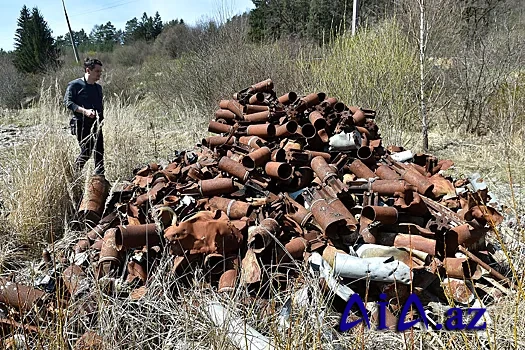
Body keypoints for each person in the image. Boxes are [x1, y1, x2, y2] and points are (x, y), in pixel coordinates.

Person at [64, 58, 105, 176]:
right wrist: (85, 112)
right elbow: (68, 103)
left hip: (96, 124)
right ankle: (74, 175)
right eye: (97, 71)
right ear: (88, 70)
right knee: (87, 151)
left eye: (100, 72)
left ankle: (100, 179)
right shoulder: (75, 85)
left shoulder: (98, 88)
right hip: (81, 123)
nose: (99, 74)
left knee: (99, 153)